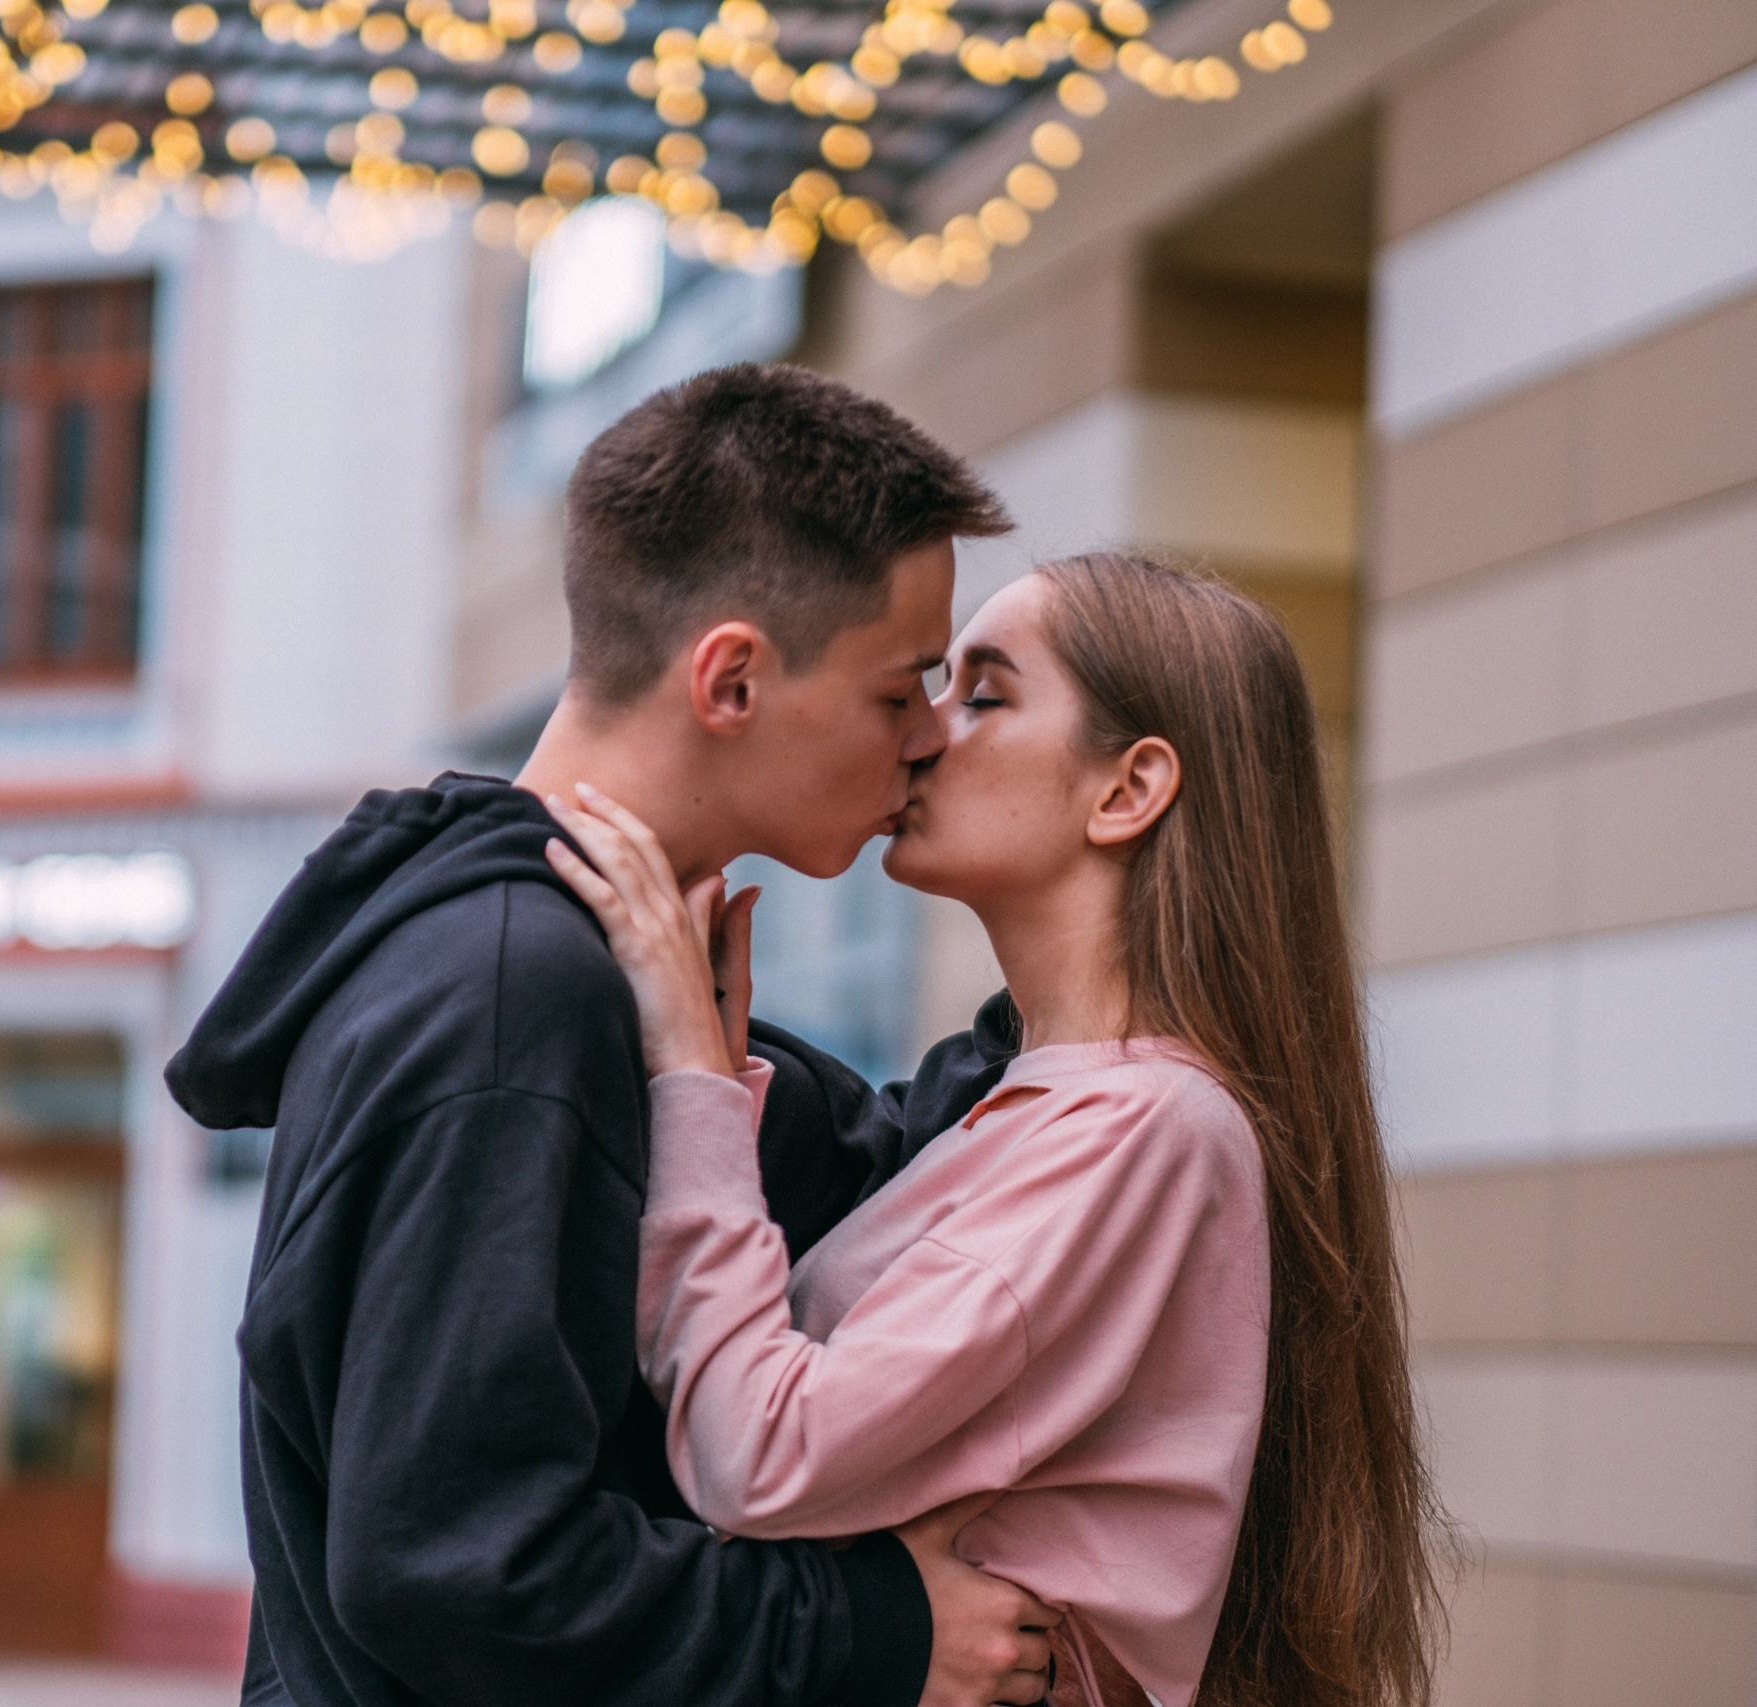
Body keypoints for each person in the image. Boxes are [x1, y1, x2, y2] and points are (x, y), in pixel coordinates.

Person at [168, 363, 1067, 1707]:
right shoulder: (511, 997)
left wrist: (1088, 916)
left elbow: (881, 1164)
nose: (931, 735)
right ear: (732, 678)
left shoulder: (598, 966)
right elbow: (456, 1560)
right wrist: (875, 1630)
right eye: (903, 688)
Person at [544, 555, 1448, 1707]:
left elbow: (757, 1453)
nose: (920, 733)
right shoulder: (1045, 1106)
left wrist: (690, 1081)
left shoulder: (1142, 1127)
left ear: (1126, 792)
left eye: (982, 694)